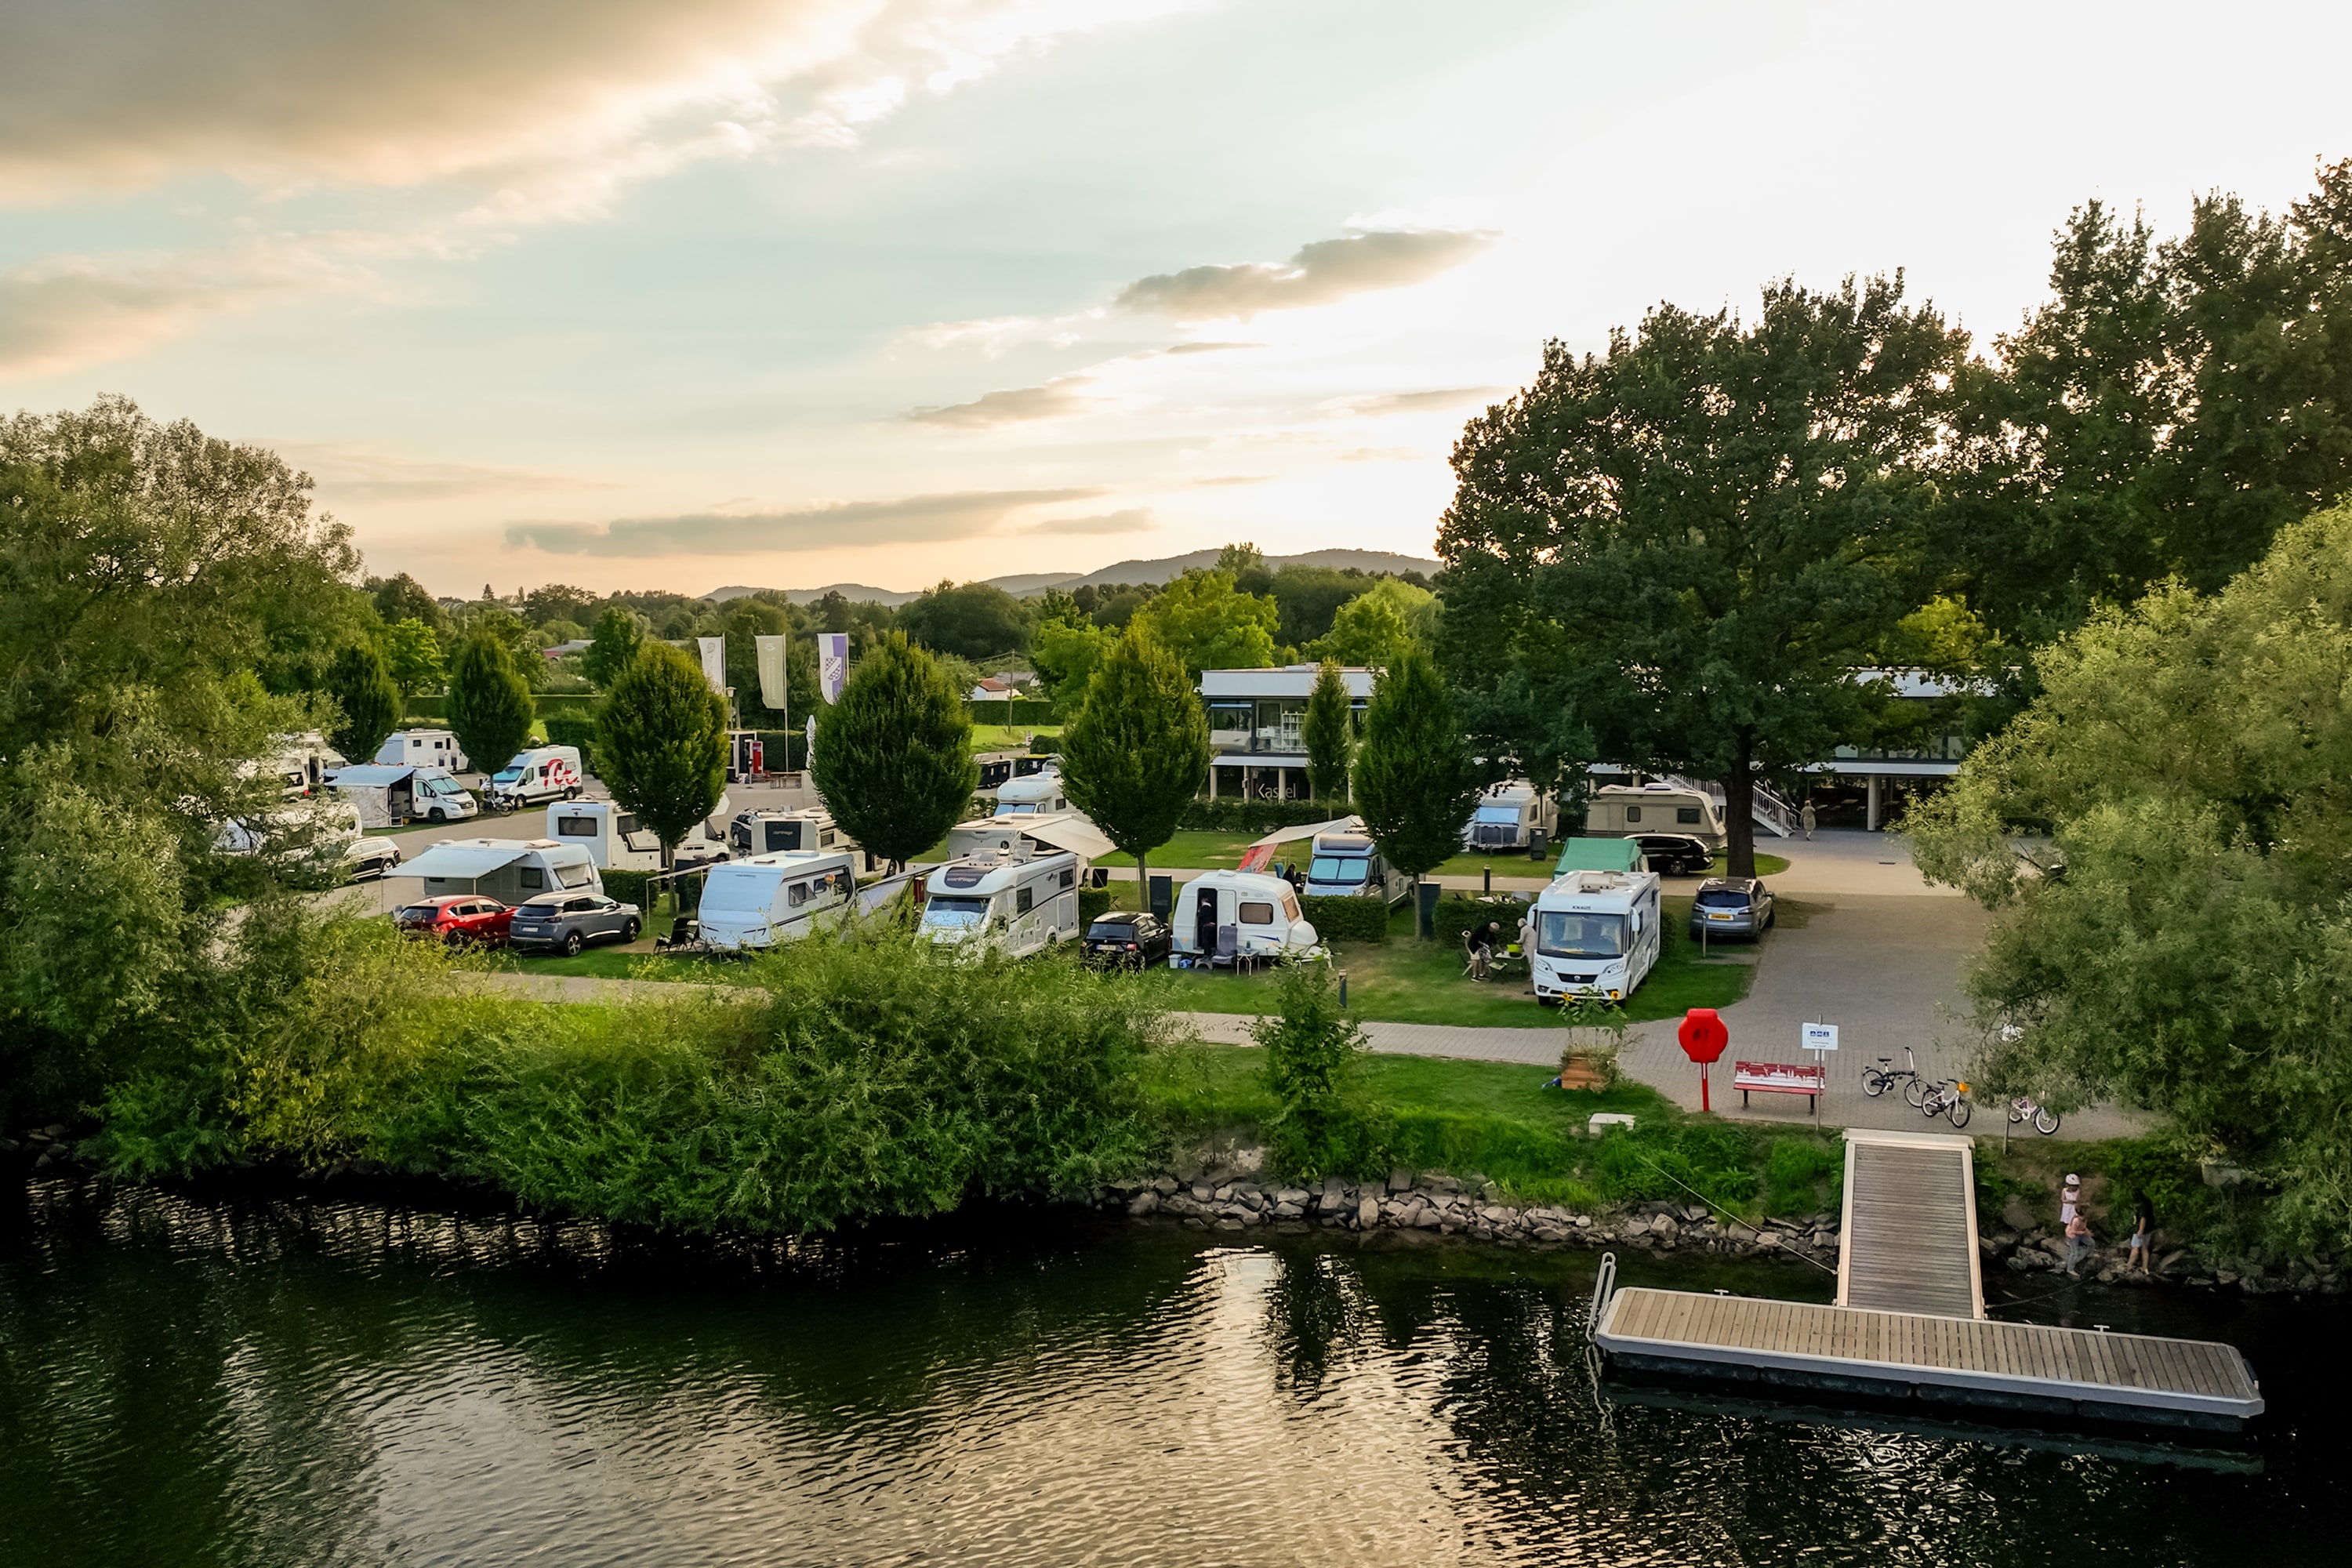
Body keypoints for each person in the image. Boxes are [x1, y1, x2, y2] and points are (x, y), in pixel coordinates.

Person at [2128, 1189, 2155, 1274]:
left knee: (2135, 1248)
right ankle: (2145, 1269)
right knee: (2144, 1248)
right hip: (2149, 1229)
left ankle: (2128, 1267)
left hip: (2142, 1229)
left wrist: (2140, 1230)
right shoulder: (2147, 1202)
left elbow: (2143, 1218)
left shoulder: (2142, 1206)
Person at [2063, 1207, 2093, 1277]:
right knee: (2074, 1253)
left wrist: (2087, 1232)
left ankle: (2089, 1254)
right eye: (2081, 1216)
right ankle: (2070, 1269)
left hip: (2080, 1233)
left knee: (2092, 1242)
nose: (2082, 1218)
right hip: (2072, 1235)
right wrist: (2083, 1233)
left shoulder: (2085, 1220)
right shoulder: (2076, 1221)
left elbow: (2084, 1227)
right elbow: (2074, 1231)